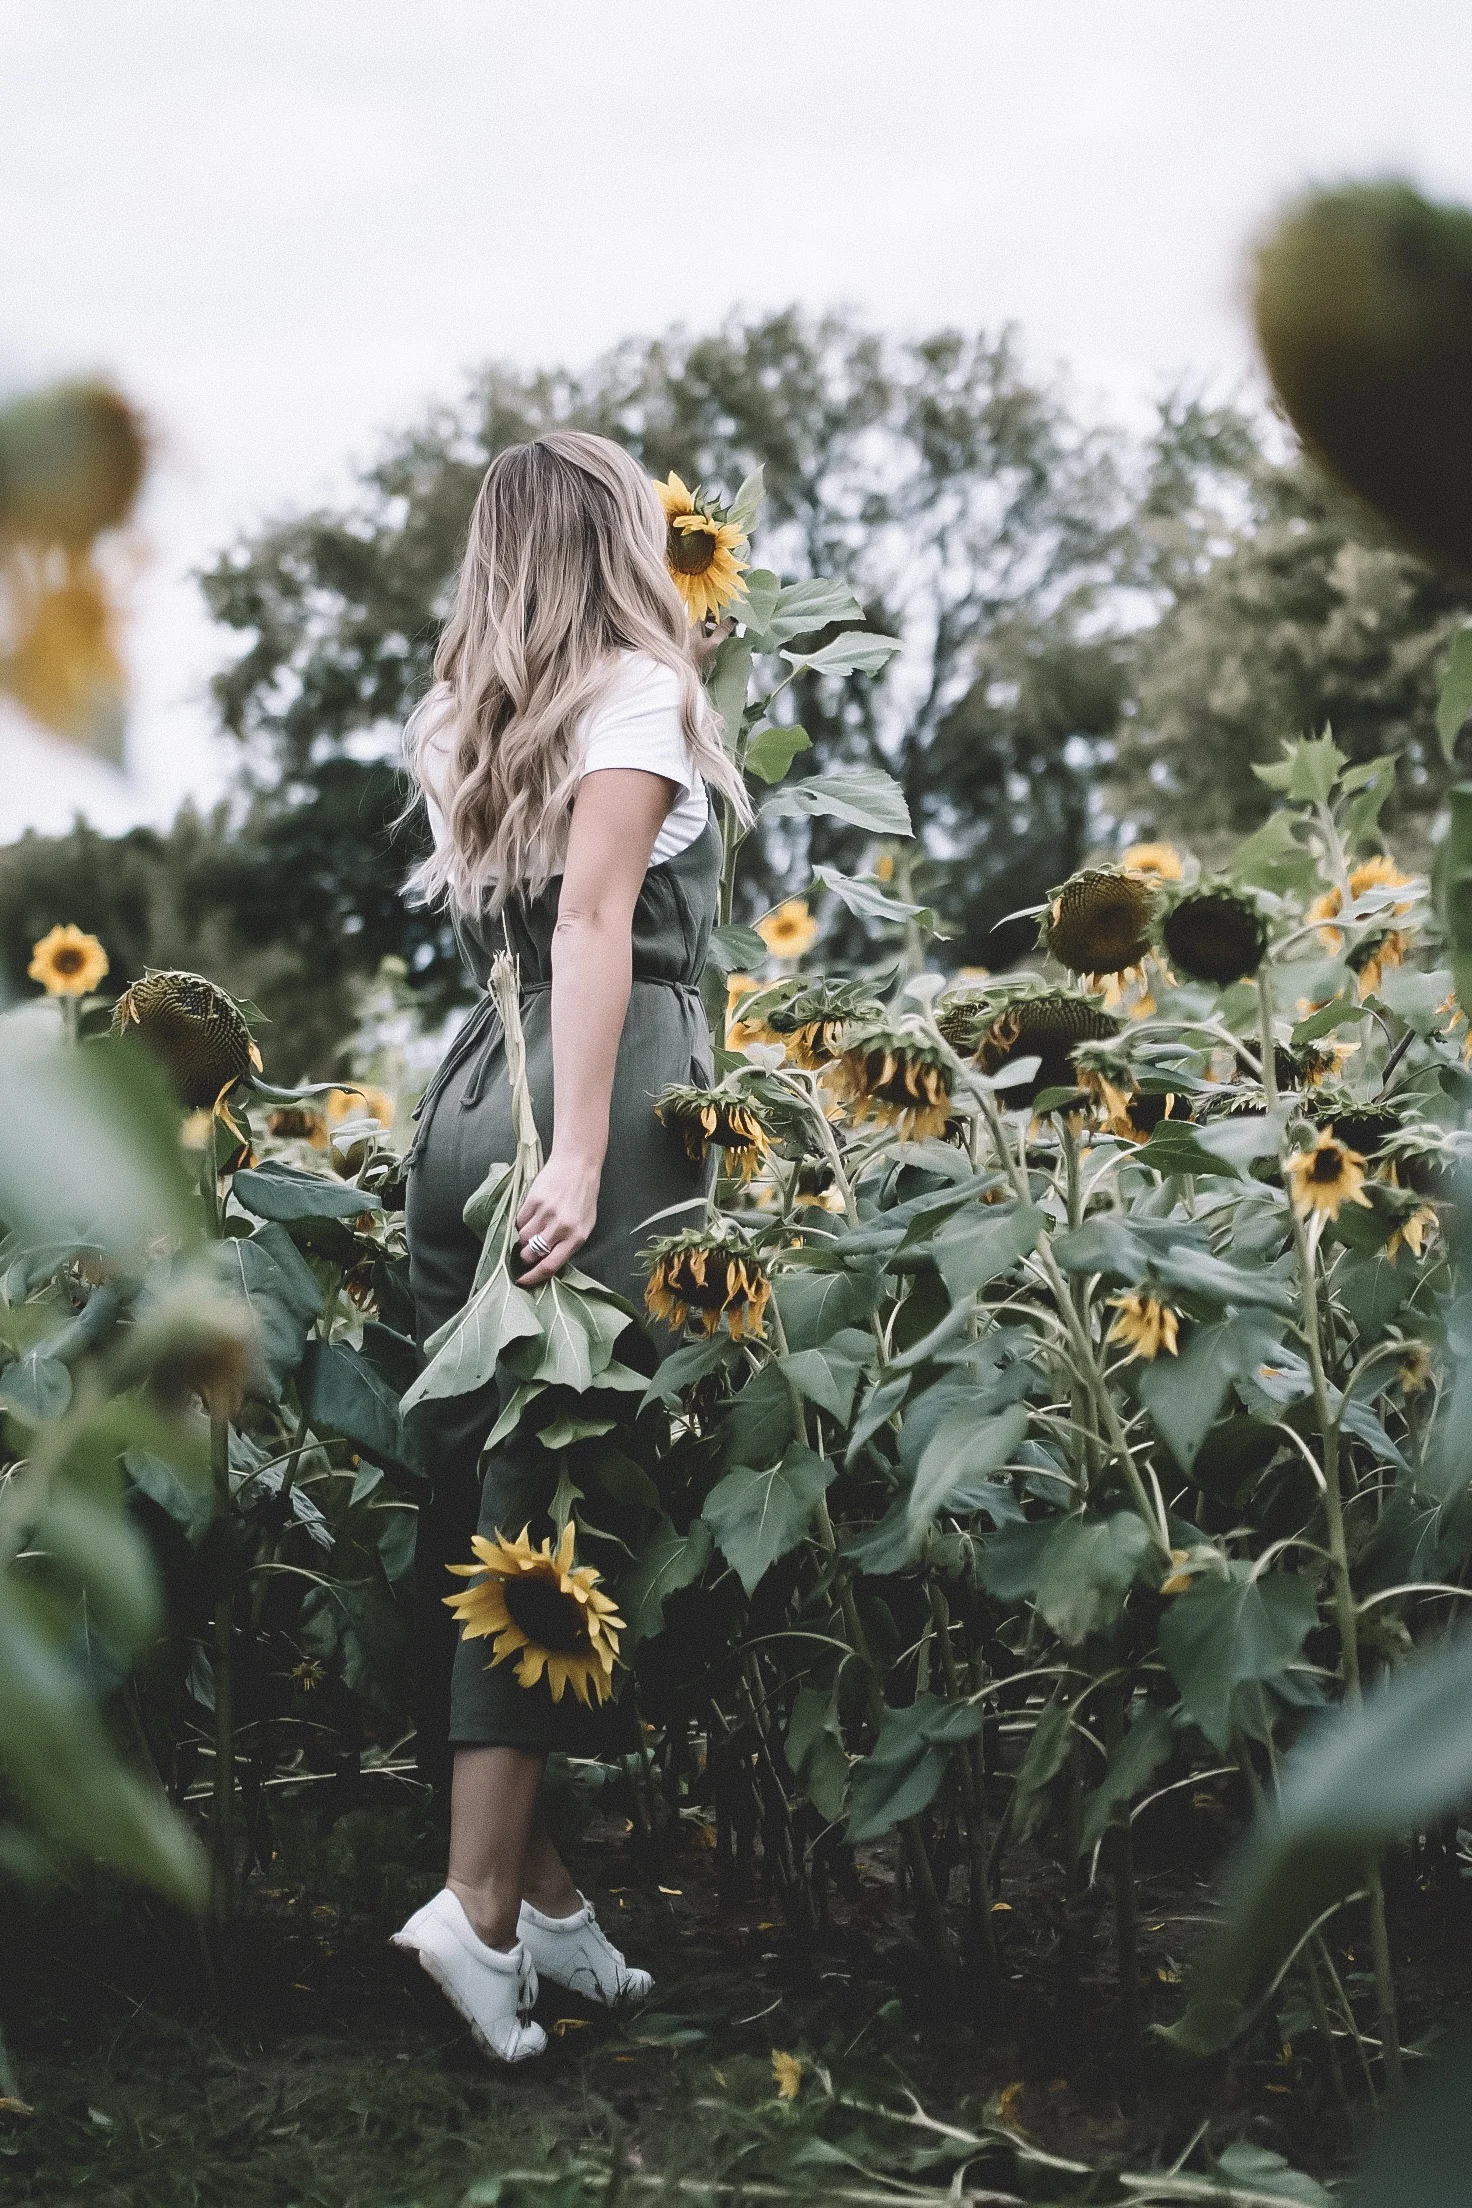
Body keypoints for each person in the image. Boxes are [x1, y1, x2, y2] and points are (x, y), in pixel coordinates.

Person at [390, 431, 748, 2064]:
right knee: (556, 1497)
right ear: (621, 534)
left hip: (473, 1092)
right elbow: (601, 925)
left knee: (485, 1484)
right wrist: (594, 1152)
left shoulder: (480, 708)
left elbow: (533, 922)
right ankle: (471, 1913)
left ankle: (546, 1908)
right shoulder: (641, 699)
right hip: (603, 1088)